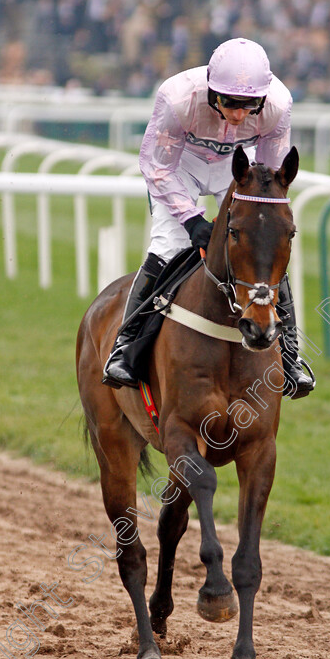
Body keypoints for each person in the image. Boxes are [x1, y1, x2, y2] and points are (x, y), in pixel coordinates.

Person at [102, 37, 314, 399]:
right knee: (169, 246)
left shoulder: (278, 104)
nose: (238, 114)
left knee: (261, 251)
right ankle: (126, 347)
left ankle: (291, 357)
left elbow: (272, 177)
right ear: (213, 92)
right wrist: (192, 220)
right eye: (230, 103)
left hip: (237, 166)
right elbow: (157, 166)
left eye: (250, 106)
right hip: (178, 164)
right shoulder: (177, 97)